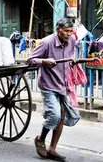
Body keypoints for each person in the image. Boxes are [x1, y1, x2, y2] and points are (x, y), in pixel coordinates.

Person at [27, 17, 80, 161]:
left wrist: (72, 59)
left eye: (71, 31)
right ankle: (40, 139)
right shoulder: (46, 43)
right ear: (58, 30)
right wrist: (44, 61)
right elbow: (30, 60)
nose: (69, 34)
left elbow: (71, 53)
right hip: (48, 84)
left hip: (63, 83)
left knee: (62, 116)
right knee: (54, 116)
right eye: (66, 31)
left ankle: (52, 149)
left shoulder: (72, 40)